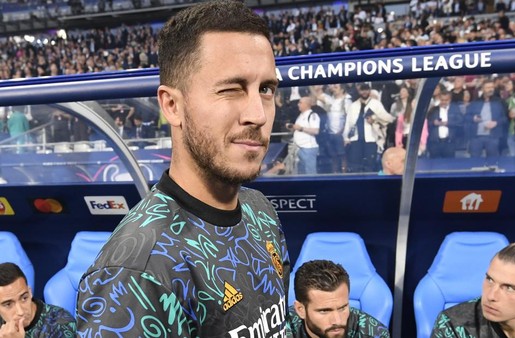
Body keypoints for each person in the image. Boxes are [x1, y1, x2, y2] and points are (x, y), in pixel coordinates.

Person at [76, 1, 290, 337]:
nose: (258, 115)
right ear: (172, 106)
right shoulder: (138, 272)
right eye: (231, 89)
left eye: (265, 89)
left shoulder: (259, 209)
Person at [286, 260, 390, 338]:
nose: (337, 320)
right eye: (324, 311)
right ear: (300, 310)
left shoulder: (375, 334)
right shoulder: (280, 329)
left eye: (342, 308)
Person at [0, 262, 75, 337]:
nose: (20, 312)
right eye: (8, 304)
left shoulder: (61, 325)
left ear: (30, 292)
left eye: (24, 298)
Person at [466, 80, 507, 158]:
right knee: (474, 160)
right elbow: (466, 117)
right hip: (476, 137)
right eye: (488, 87)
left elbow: (505, 118)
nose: (490, 89)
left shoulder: (499, 102)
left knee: (493, 161)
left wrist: (496, 123)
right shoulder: (475, 102)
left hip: (493, 136)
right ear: (482, 89)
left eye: (492, 87)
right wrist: (473, 118)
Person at [287, 96, 320, 175]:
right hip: (299, 148)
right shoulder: (300, 115)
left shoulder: (312, 115)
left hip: (308, 149)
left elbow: (316, 131)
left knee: (310, 172)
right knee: (301, 172)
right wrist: (292, 127)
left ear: (307, 104)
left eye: (300, 103)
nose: (298, 104)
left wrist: (301, 128)